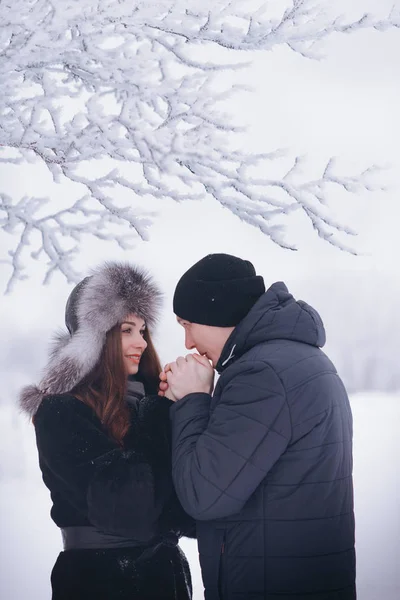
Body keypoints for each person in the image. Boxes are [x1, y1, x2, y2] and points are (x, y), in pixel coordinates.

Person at [160, 253, 356, 600]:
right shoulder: (297, 360)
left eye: (186, 324)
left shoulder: (261, 375)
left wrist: (192, 400)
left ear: (214, 314)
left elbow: (204, 495)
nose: (188, 343)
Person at [20, 261, 195, 600]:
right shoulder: (60, 411)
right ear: (94, 338)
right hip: (100, 581)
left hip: (166, 580)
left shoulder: (150, 402)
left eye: (143, 331)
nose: (141, 342)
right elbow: (131, 508)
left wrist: (193, 410)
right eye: (127, 330)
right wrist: (161, 413)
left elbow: (187, 511)